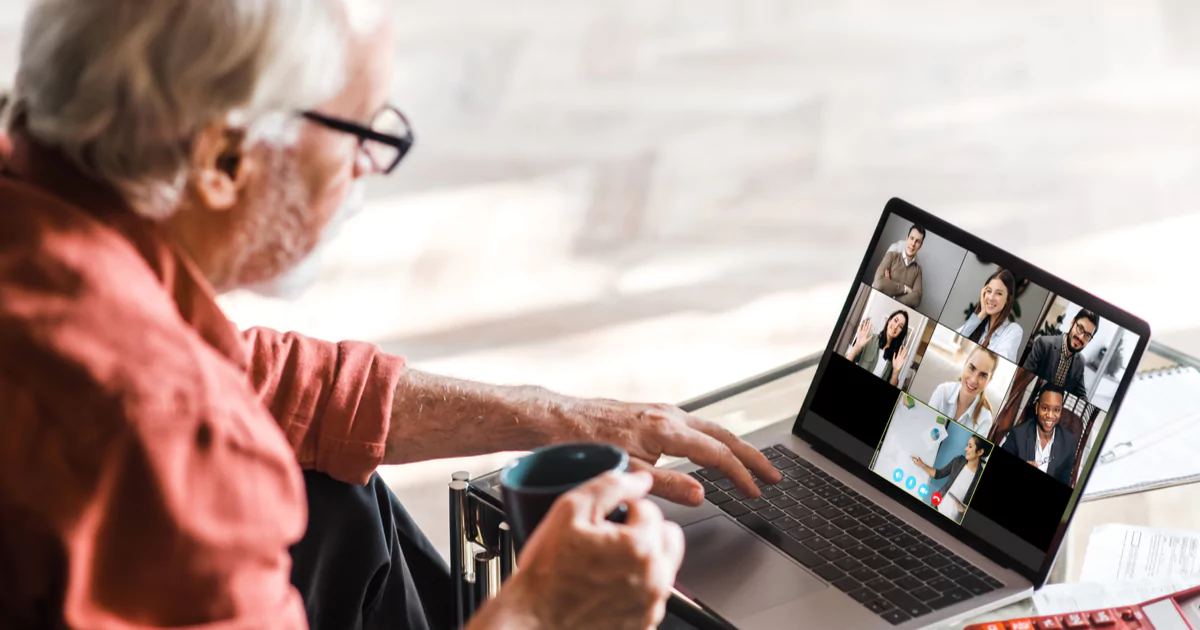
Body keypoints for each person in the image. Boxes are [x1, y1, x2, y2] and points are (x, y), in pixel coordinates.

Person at [0, 2, 783, 629]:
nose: (368, 166)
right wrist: (544, 612)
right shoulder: (159, 438)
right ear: (221, 161)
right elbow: (182, 413)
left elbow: (259, 381)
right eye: (361, 134)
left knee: (338, 499)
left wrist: (561, 417)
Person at [1001, 384, 1078, 485]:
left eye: (1056, 410)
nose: (1050, 415)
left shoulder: (1069, 442)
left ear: (1061, 411)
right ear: (1037, 408)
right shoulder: (1018, 434)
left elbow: (1065, 480)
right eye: (1045, 408)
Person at [1022, 309, 1100, 400]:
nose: (1081, 337)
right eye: (1080, 328)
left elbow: (1082, 396)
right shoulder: (1043, 344)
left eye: (1087, 335)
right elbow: (1023, 379)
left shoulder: (1080, 363)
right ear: (1072, 322)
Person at [910, 434, 991, 522]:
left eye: (970, 446)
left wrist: (964, 510)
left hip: (953, 521)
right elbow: (938, 474)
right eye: (967, 445)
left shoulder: (980, 477)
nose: (966, 449)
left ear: (980, 452)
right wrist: (922, 465)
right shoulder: (958, 461)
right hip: (936, 507)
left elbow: (977, 514)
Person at [926, 346, 999, 436]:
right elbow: (925, 428)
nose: (973, 380)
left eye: (983, 375)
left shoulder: (985, 419)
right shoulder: (942, 392)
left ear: (989, 381)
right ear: (965, 365)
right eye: (972, 368)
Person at [956, 269, 1023, 362]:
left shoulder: (1013, 330)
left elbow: (1000, 363)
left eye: (999, 293)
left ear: (1008, 299)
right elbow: (956, 338)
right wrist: (982, 313)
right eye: (989, 291)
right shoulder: (979, 324)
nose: (991, 298)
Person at [845, 309, 909, 387]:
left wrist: (895, 373)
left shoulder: (896, 357)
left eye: (900, 326)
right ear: (889, 320)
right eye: (895, 320)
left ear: (901, 332)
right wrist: (857, 346)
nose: (895, 327)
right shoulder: (869, 339)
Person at [872, 224, 925, 308]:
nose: (913, 244)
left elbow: (916, 299)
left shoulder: (918, 270)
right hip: (879, 303)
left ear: (920, 246)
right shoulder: (891, 256)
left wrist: (890, 288)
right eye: (911, 238)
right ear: (907, 239)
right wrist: (906, 289)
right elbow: (879, 283)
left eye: (917, 241)